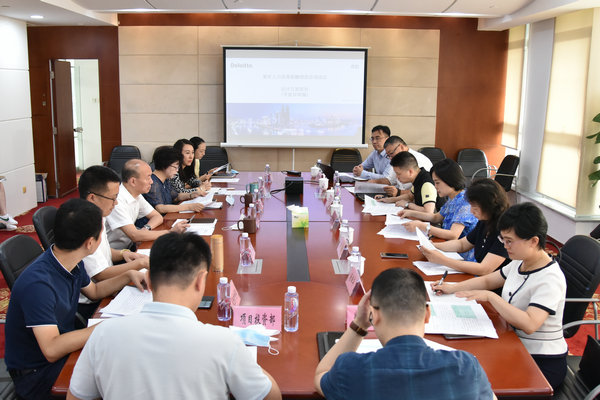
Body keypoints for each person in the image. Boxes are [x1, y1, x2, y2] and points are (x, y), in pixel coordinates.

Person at [67, 232, 282, 400]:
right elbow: (270, 396)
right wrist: (242, 359)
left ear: (148, 279)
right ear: (201, 280)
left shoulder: (103, 335)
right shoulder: (225, 343)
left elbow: (75, 396)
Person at [4, 199, 147, 399]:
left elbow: (94, 291)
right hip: (38, 374)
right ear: (90, 243)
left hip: (63, 349)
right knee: (124, 378)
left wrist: (128, 275)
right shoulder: (38, 284)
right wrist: (105, 327)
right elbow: (51, 349)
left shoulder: (69, 259)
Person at [432, 203, 567, 390]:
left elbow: (530, 324)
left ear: (533, 241)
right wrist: (453, 288)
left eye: (510, 241)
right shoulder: (521, 262)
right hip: (513, 341)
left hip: (540, 361)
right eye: (503, 239)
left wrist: (492, 298)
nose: (505, 246)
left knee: (473, 381)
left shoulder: (550, 278)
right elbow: (489, 281)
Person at [314, 268, 496, 400]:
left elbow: (321, 374)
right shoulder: (466, 368)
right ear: (427, 315)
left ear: (373, 316)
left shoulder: (351, 370)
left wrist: (359, 324)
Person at [77, 165, 150, 321]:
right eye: (113, 198)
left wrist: (124, 253)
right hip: (92, 304)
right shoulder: (83, 227)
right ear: (92, 198)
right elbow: (100, 274)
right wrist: (140, 263)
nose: (116, 203)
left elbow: (102, 251)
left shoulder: (98, 216)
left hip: (107, 288)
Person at [420, 178, 510, 275]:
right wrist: (433, 246)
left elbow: (484, 269)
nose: (471, 211)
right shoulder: (485, 221)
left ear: (489, 205)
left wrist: (442, 260)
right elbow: (462, 244)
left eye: (475, 208)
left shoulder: (506, 229)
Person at [399, 159, 477, 260]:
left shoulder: (465, 201)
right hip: (448, 248)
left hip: (461, 257)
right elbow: (436, 217)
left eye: (437, 183)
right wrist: (410, 212)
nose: (435, 187)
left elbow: (453, 235)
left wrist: (424, 226)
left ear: (450, 179)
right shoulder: (453, 198)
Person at [106, 159, 188, 250]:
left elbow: (157, 217)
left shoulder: (136, 194)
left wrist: (145, 229)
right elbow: (134, 235)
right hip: (116, 253)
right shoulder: (117, 200)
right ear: (133, 181)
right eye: (148, 178)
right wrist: (171, 232)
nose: (151, 182)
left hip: (130, 247)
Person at [144, 146, 205, 214]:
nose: (177, 170)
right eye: (175, 167)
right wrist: (189, 207)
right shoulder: (152, 182)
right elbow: (160, 208)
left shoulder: (166, 179)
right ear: (165, 165)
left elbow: (176, 197)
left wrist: (191, 194)